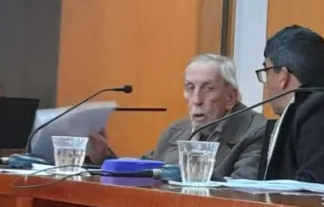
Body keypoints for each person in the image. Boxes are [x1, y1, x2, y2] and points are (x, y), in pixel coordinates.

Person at [89, 54, 266, 179]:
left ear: (231, 97)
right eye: (190, 88)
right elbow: (140, 173)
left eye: (208, 89)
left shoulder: (255, 131)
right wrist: (102, 156)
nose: (196, 99)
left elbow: (240, 193)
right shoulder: (177, 130)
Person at [257, 25, 324, 183]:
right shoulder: (305, 109)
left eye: (266, 72)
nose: (266, 85)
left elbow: (313, 185)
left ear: (283, 76)